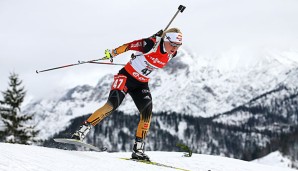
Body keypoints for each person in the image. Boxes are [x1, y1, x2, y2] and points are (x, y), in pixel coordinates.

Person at [71, 28, 183, 161]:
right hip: (126, 77)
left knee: (147, 114)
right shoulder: (150, 44)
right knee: (111, 105)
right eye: (173, 44)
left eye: (178, 46)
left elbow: (157, 54)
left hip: (141, 84)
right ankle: (80, 132)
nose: (175, 48)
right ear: (166, 39)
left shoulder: (172, 53)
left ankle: (138, 150)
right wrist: (113, 53)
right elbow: (129, 45)